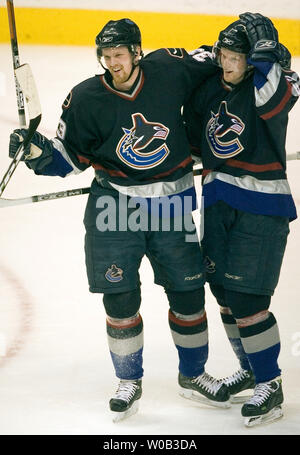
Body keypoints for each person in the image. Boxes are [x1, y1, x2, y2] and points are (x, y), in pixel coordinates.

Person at [9, 18, 231, 421]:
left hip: (171, 203)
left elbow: (223, 60)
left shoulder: (171, 68)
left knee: (188, 294)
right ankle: (129, 380)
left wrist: (263, 62)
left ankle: (193, 374)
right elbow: (68, 158)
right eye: (106, 57)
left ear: (137, 52)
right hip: (116, 205)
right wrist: (37, 151)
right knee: (121, 296)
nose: (113, 63)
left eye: (119, 55)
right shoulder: (86, 98)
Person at [184, 12, 300, 427]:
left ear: (253, 60)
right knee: (223, 293)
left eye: (237, 57)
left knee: (249, 299)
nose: (227, 63)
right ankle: (251, 367)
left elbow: (276, 100)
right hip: (219, 202)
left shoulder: (275, 82)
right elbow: (196, 144)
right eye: (224, 55)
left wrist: (269, 50)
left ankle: (270, 384)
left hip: (262, 207)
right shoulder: (209, 89)